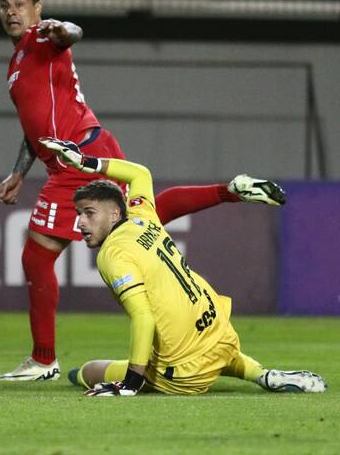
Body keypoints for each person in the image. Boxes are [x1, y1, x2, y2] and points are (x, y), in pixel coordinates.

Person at [0, 0, 286, 381]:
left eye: (20, 4)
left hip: (78, 159)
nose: (11, 11)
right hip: (91, 147)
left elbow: (71, 34)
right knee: (143, 219)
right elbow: (34, 127)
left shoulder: (42, 38)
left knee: (37, 254)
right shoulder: (17, 62)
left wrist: (61, 28)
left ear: (37, 8)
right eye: (5, 5)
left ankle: (44, 360)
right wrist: (18, 173)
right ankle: (230, 190)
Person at [39, 137, 326, 395]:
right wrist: (85, 162)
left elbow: (143, 317)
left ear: (115, 213)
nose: (80, 222)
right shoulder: (144, 215)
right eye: (79, 213)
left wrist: (131, 382)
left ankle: (133, 376)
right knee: (210, 349)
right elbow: (140, 173)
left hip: (183, 374)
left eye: (89, 213)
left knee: (86, 372)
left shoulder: (112, 254)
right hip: (221, 334)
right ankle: (261, 374)